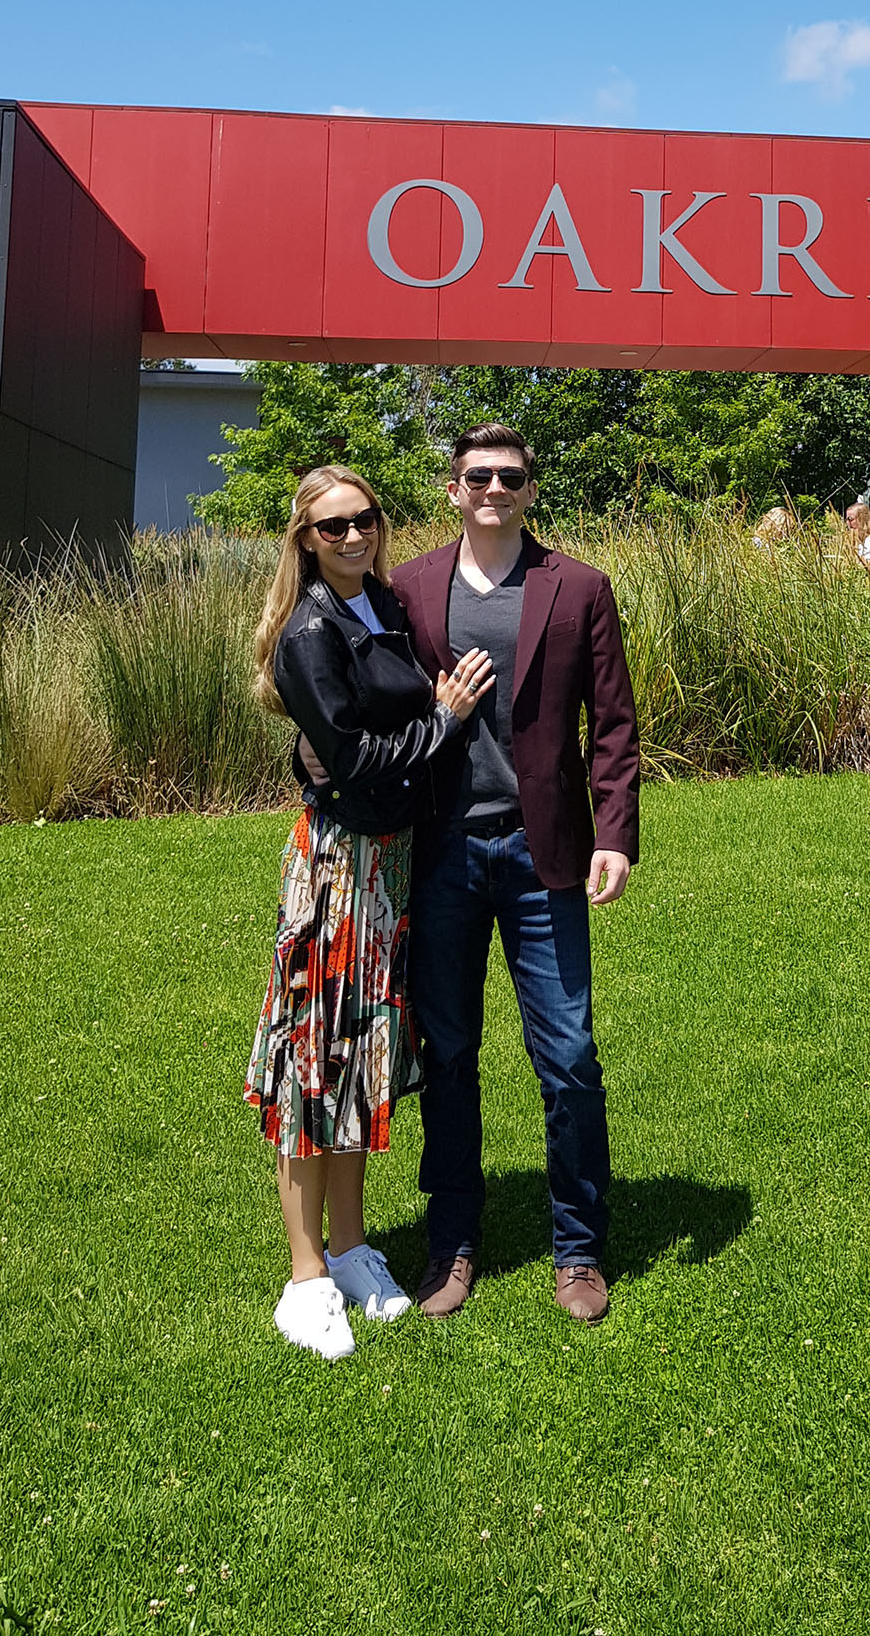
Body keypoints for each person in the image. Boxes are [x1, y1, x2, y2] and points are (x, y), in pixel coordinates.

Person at [310, 422, 641, 1324]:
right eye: (478, 475)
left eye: (511, 475)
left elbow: (613, 724)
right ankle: (453, 1239)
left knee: (567, 1057)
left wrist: (614, 831)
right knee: (449, 1055)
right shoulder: (408, 588)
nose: (495, 488)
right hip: (442, 851)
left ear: (530, 489)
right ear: (453, 489)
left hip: (545, 857)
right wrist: (313, 752)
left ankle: (579, 1246)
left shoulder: (579, 587)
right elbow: (352, 687)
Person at [246, 464, 493, 1360]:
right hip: (338, 871)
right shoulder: (309, 631)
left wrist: (421, 726)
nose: (354, 536)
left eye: (366, 519)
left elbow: (356, 739)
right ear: (305, 540)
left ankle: (350, 1246)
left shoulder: (382, 606)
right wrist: (444, 721)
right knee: (313, 1062)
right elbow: (350, 759)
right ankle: (305, 1274)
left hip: (390, 862)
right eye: (334, 526)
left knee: (358, 1058)